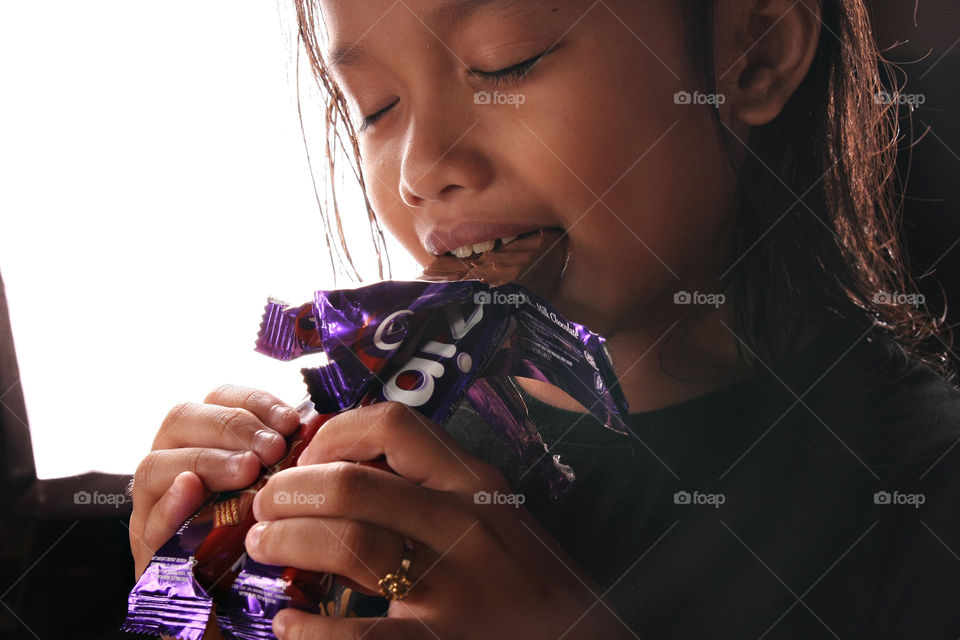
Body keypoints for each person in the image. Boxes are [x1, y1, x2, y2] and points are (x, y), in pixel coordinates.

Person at [127, 1, 960, 637]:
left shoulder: (923, 492)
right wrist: (212, 587)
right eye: (375, 107)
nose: (421, 169)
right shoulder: (374, 462)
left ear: (755, 49)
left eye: (505, 63)